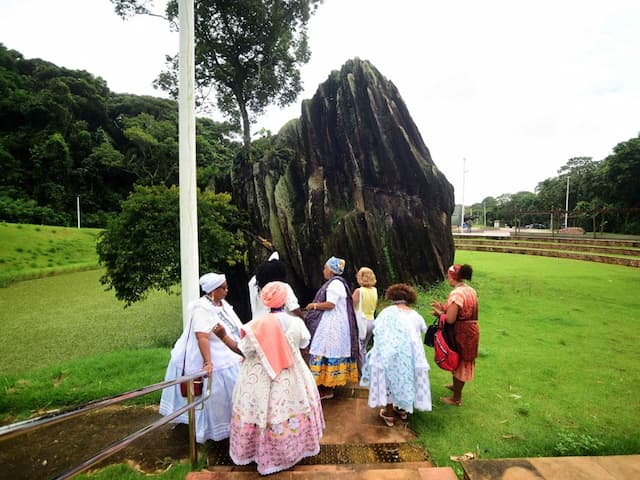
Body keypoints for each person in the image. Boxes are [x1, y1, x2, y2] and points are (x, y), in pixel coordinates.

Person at [223, 281, 325, 475]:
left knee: (261, 412)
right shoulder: (296, 322)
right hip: (293, 375)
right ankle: (293, 450)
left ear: (265, 300)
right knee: (290, 410)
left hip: (258, 378)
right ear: (285, 299)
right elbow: (304, 342)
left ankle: (260, 453)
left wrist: (222, 336)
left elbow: (242, 349)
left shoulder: (255, 325)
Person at [159, 272, 244, 442]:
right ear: (213, 290)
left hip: (226, 351)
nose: (227, 290)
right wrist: (208, 362)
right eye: (223, 288)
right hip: (210, 354)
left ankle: (231, 426)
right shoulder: (201, 308)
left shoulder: (222, 304)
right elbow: (202, 336)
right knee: (211, 393)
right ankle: (208, 430)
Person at [360, 283, 432, 426]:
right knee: (406, 378)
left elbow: (377, 328)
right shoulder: (415, 315)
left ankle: (389, 414)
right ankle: (403, 410)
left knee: (389, 381)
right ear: (409, 298)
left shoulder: (386, 313)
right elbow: (423, 328)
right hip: (411, 355)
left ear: (391, 297)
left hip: (389, 353)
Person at [305, 256, 359, 400]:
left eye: (325, 268)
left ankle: (326, 388)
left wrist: (314, 305)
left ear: (330, 270)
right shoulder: (339, 283)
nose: (323, 270)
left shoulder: (334, 284)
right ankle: (328, 386)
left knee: (323, 350)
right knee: (327, 351)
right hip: (336, 323)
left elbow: (331, 304)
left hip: (332, 325)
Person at [431, 264, 479, 406]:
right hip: (471, 330)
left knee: (459, 362)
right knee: (461, 360)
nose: (447, 279)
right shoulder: (469, 290)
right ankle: (455, 387)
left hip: (461, 333)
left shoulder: (457, 294)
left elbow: (450, 319)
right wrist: (443, 308)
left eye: (448, 276)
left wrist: (439, 313)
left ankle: (456, 398)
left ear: (453, 277)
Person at [248, 252, 304, 321]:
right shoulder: (283, 287)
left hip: (258, 323)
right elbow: (294, 308)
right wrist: (303, 319)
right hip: (281, 325)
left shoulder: (254, 285)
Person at [352, 267, 378, 368]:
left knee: (359, 348)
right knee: (364, 347)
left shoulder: (359, 291)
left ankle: (363, 372)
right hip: (371, 320)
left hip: (361, 322)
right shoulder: (374, 290)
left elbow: (350, 306)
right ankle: (366, 368)